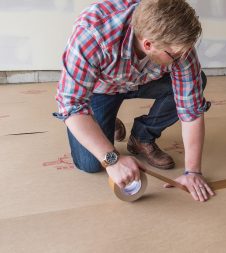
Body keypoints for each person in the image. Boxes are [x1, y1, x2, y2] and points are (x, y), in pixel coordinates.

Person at [54, 0, 215, 202]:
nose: (182, 58)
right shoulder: (92, 34)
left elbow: (191, 110)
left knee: (198, 81)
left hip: (144, 81)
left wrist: (193, 172)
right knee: (90, 164)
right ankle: (103, 120)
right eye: (175, 56)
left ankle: (142, 136)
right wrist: (113, 161)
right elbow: (71, 107)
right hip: (102, 89)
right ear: (147, 44)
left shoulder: (177, 46)